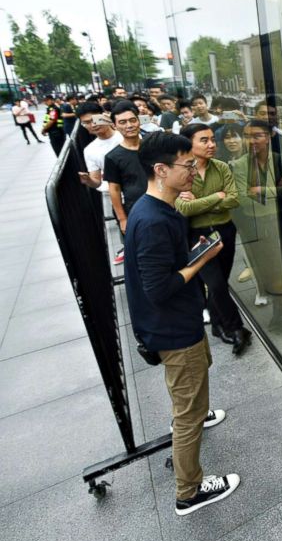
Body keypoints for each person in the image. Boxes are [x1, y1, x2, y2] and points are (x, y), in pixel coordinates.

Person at [123, 131, 239, 516]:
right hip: (173, 329)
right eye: (186, 165)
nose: (193, 171)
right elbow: (161, 288)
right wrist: (201, 261)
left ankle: (192, 430)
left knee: (191, 392)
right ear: (160, 170)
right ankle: (189, 492)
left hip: (179, 322)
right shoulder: (153, 220)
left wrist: (194, 252)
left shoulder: (159, 208)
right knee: (187, 414)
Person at [177, 123, 251, 355]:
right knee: (216, 284)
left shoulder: (220, 167)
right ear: (189, 144)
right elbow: (185, 208)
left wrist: (202, 202)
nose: (211, 144)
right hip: (198, 236)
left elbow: (234, 199)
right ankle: (236, 328)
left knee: (221, 282)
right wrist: (217, 197)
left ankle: (218, 326)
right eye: (204, 140)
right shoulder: (181, 170)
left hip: (225, 230)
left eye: (212, 139)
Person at [230, 120, 282, 312]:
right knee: (264, 269)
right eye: (247, 136)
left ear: (269, 137)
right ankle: (277, 307)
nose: (251, 141)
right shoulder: (239, 165)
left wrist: (261, 190)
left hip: (279, 221)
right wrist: (279, 189)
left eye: (257, 135)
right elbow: (243, 199)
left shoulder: (281, 160)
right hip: (254, 224)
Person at [104, 101, 147, 264]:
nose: (129, 125)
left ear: (139, 120)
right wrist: (123, 219)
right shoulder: (113, 157)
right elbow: (114, 190)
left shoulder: (153, 145)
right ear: (115, 126)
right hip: (136, 210)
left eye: (132, 120)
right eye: (122, 122)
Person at [77, 103, 122, 192]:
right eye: (86, 123)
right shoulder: (90, 150)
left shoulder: (125, 134)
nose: (93, 125)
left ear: (104, 116)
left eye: (95, 120)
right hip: (113, 194)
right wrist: (88, 180)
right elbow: (97, 181)